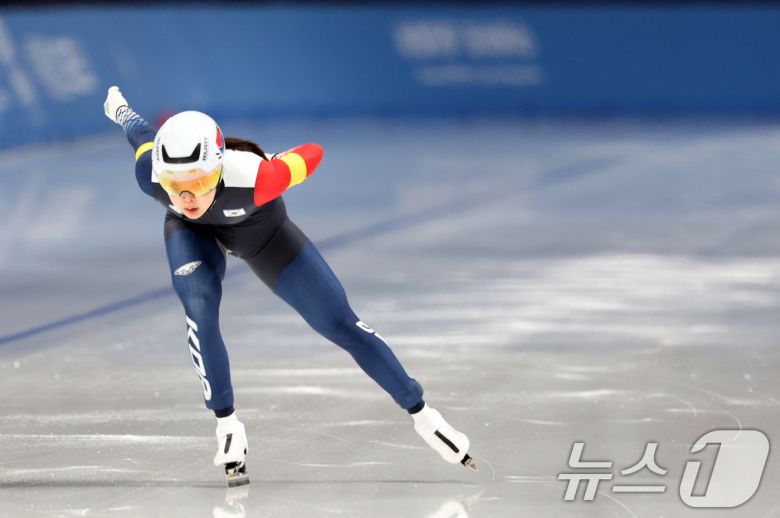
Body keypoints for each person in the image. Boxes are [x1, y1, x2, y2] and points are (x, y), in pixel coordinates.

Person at [103, 86, 476, 486]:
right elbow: (140, 134)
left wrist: (280, 162)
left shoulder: (259, 177)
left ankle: (423, 415)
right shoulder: (151, 175)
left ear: (221, 167)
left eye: (199, 179)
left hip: (263, 236)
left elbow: (314, 151)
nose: (189, 195)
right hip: (191, 234)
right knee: (199, 305)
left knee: (339, 323)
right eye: (176, 184)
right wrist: (121, 110)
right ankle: (227, 426)